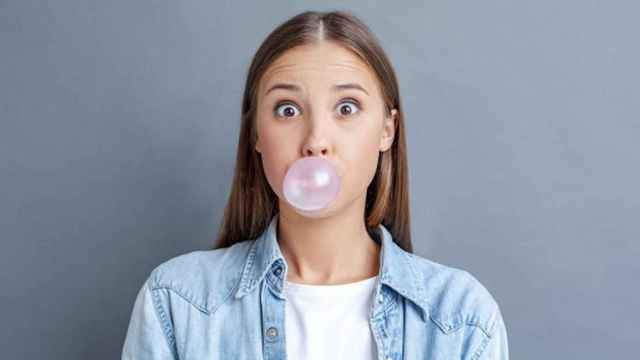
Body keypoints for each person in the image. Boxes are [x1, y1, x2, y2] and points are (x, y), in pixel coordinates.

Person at [122, 10, 509, 360]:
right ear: (257, 133)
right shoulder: (176, 302)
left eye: (346, 108)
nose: (315, 140)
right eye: (287, 110)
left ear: (387, 130)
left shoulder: (462, 319)